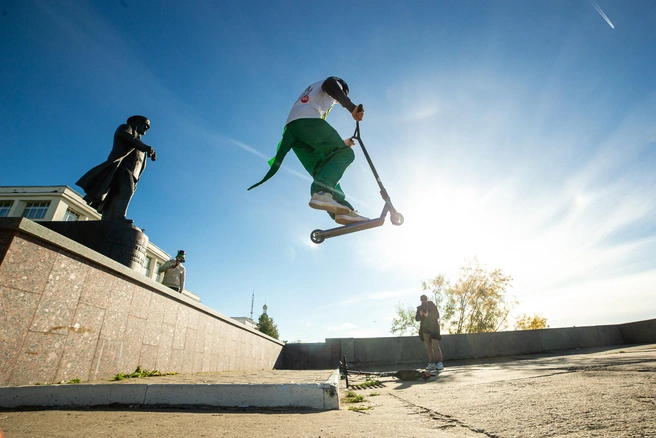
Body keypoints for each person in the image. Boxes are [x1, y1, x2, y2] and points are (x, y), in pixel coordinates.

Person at [248, 76, 369, 225]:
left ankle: (342, 212)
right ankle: (321, 192)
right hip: (307, 121)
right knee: (345, 154)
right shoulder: (334, 83)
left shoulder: (312, 93)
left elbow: (315, 135)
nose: (337, 101)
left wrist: (341, 142)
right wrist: (351, 107)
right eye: (340, 98)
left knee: (323, 169)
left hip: (295, 131)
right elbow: (330, 84)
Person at [76, 115, 157, 223]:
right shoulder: (126, 128)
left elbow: (141, 164)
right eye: (145, 125)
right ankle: (119, 216)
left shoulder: (140, 142)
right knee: (126, 190)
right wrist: (145, 147)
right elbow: (125, 136)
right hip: (121, 169)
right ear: (136, 123)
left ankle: (109, 217)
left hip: (133, 174)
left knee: (117, 195)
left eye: (148, 127)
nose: (147, 128)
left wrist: (137, 179)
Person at [415, 294, 444, 371]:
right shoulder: (420, 308)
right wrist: (420, 315)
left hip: (433, 330)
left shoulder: (432, 306)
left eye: (424, 300)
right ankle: (432, 363)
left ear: (427, 299)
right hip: (424, 330)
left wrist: (428, 314)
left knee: (435, 346)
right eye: (422, 300)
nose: (423, 301)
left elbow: (437, 315)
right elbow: (417, 319)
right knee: (428, 348)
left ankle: (439, 362)